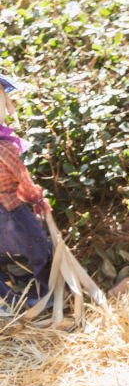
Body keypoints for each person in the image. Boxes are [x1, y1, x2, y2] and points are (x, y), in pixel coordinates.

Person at [0, 74, 52, 311]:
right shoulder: (6, 148)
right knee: (40, 250)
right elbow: (23, 179)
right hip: (11, 209)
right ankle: (44, 298)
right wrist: (37, 198)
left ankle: (8, 300)